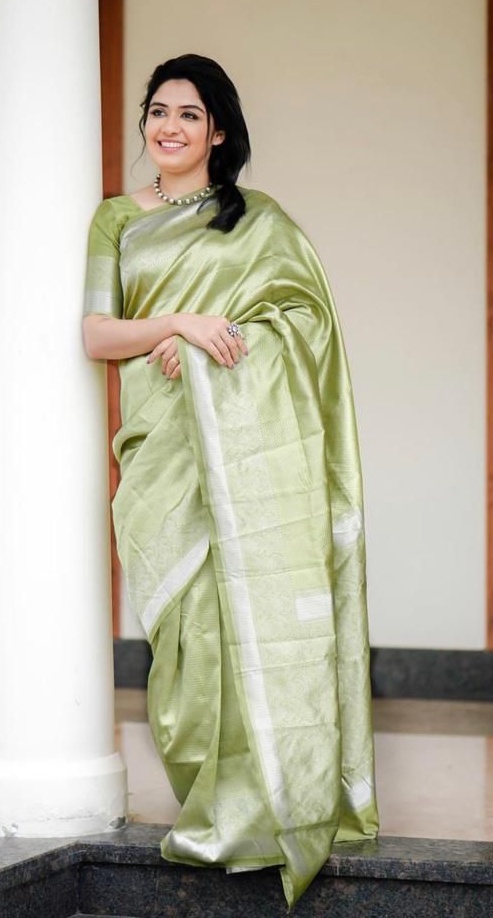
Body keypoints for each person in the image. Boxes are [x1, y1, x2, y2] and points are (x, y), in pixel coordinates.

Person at [82, 54, 378, 908]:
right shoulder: (114, 220)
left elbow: (303, 323)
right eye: (157, 111)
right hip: (162, 450)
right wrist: (176, 322)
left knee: (241, 622)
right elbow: (98, 333)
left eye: (189, 114)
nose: (168, 127)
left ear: (218, 130)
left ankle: (256, 808)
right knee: (181, 636)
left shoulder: (260, 222)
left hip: (245, 458)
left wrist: (220, 344)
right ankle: (212, 797)